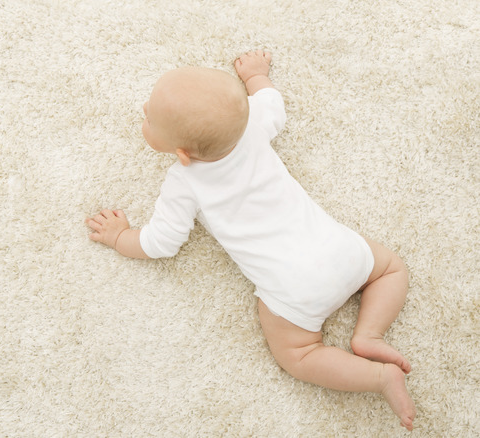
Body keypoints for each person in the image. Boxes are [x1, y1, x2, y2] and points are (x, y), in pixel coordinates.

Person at [85, 50, 416, 430]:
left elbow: (161, 243)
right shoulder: (253, 125)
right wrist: (256, 76)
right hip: (340, 250)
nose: (144, 108)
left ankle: (378, 377)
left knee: (300, 354)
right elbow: (273, 104)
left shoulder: (184, 182)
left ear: (182, 155)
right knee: (391, 269)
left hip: (293, 289)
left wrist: (120, 236)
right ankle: (370, 333)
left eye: (149, 117)